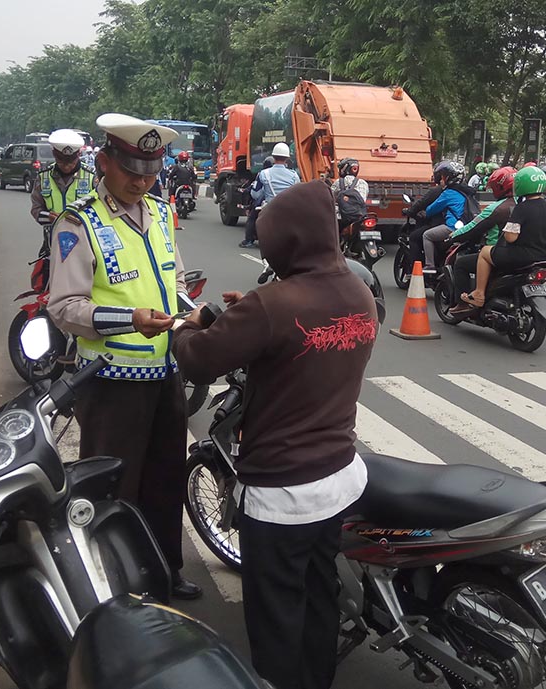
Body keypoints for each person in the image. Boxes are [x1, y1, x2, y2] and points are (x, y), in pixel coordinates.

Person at [172, 180, 378, 689]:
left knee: (277, 614)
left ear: (283, 240)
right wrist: (254, 310)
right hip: (338, 477)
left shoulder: (272, 304)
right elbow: (302, 335)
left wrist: (183, 325)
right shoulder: (358, 291)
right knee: (318, 591)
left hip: (282, 490)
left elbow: (199, 358)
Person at [46, 113, 201, 600]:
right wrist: (128, 319)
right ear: (104, 163)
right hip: (111, 380)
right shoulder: (78, 223)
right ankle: (115, 583)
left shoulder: (161, 214)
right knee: (112, 487)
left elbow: (171, 283)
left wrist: (191, 314)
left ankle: (164, 570)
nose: (141, 180)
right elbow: (65, 308)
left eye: (150, 170)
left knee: (165, 480)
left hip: (165, 373)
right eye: (131, 169)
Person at [462, 166, 546, 307]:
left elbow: (510, 238)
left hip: (522, 256)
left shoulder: (522, 208)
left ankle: (479, 293)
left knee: (485, 252)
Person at [447, 166, 518, 317]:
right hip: (523, 253)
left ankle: (464, 303)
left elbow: (474, 226)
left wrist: (453, 236)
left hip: (497, 252)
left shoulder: (496, 208)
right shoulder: (525, 205)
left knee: (461, 264)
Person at [30, 128, 96, 252]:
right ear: (54, 154)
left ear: (78, 155)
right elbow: (36, 209)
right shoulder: (44, 177)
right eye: (61, 161)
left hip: (86, 243)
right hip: (52, 243)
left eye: (70, 162)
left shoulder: (91, 177)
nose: (66, 166)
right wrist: (48, 216)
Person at [421, 161, 478, 276]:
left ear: (448, 177)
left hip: (451, 228)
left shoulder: (449, 193)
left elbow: (430, 210)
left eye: (443, 175)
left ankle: (430, 265)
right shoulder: (468, 192)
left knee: (426, 235)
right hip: (468, 227)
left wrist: (424, 212)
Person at [241, 143, 299, 248]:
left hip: (269, 207)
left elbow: (255, 194)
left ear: (273, 156)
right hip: (288, 209)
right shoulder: (294, 175)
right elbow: (297, 193)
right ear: (287, 158)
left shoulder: (263, 174)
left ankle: (248, 241)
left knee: (252, 217)